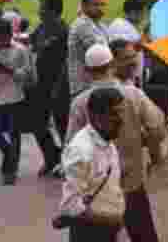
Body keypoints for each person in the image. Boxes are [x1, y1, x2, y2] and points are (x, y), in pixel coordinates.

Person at [68, 44, 167, 242]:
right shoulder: (134, 95)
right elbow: (157, 128)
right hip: (131, 182)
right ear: (112, 65)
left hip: (96, 191)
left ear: (87, 71)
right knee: (143, 235)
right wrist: (148, 149)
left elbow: (71, 147)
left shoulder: (80, 102)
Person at [59, 87, 126, 242]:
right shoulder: (81, 150)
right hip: (89, 234)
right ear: (96, 117)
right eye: (115, 114)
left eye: (122, 112)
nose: (121, 119)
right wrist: (111, 219)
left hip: (109, 230)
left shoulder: (107, 140)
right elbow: (71, 206)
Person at [0, 19, 35, 185]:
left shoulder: (20, 50)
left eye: (2, 37)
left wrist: (11, 70)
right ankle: (8, 154)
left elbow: (27, 73)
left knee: (14, 134)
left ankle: (11, 169)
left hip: (14, 95)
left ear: (9, 35)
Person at [30, 0, 71, 148]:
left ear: (52, 10)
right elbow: (32, 41)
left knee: (62, 126)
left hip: (58, 86)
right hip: (41, 84)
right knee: (38, 124)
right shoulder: (42, 26)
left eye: (42, 8)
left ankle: (66, 159)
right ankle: (52, 158)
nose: (39, 11)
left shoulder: (62, 30)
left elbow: (44, 48)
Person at [69, 0, 111, 98]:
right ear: (84, 6)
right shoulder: (82, 25)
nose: (100, 8)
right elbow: (102, 52)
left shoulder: (100, 25)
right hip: (84, 86)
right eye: (96, 5)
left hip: (95, 84)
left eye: (103, 5)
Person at [108, 0, 146, 85]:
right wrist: (145, 37)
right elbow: (123, 51)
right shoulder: (119, 26)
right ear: (133, 12)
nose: (144, 16)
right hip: (123, 79)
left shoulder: (128, 26)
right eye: (142, 13)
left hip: (131, 78)